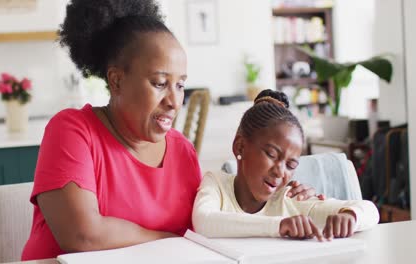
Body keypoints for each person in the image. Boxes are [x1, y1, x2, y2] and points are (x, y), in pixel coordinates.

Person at [22, 0, 321, 260]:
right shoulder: (73, 131)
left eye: (180, 85)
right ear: (116, 81)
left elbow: (213, 221)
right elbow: (82, 236)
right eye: (159, 83)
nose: (174, 101)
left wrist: (283, 198)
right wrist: (175, 240)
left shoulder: (181, 150)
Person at [192, 90, 379, 241]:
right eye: (271, 155)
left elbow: (370, 210)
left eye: (291, 165)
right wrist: (279, 226)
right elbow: (204, 221)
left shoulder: (290, 199)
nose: (280, 172)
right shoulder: (215, 183)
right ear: (240, 146)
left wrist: (350, 216)